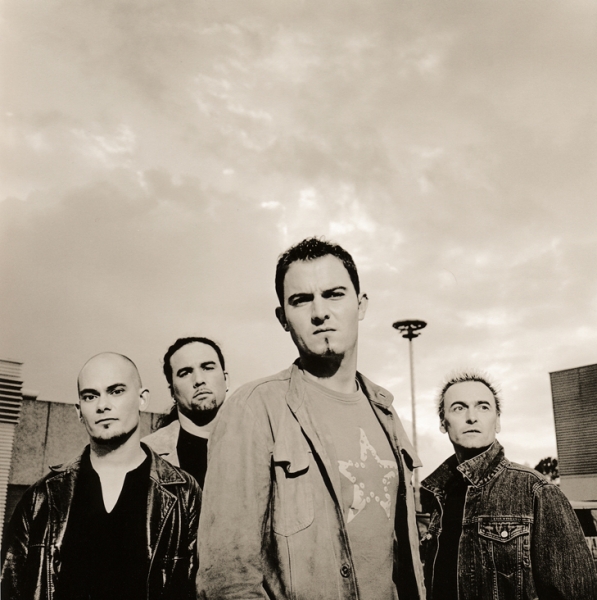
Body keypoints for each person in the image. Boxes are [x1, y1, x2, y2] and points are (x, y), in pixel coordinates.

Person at [197, 237, 425, 600]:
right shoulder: (253, 409)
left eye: (334, 294)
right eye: (301, 300)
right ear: (283, 319)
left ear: (361, 305)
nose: (320, 312)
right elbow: (227, 578)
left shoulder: (384, 410)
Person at [1, 352, 201, 600]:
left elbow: (199, 587)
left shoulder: (184, 492)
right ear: (79, 411)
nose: (102, 405)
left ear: (142, 399)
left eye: (116, 391)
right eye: (90, 396)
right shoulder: (41, 497)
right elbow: (9, 589)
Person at [420, 371, 597, 600]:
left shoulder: (536, 490)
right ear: (443, 423)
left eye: (483, 407)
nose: (472, 417)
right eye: (459, 408)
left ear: (498, 421)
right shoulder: (439, 495)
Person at [143, 337, 228, 489]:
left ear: (226, 379)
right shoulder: (146, 455)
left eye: (208, 368)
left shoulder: (259, 443)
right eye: (185, 373)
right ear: (172, 392)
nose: (199, 380)